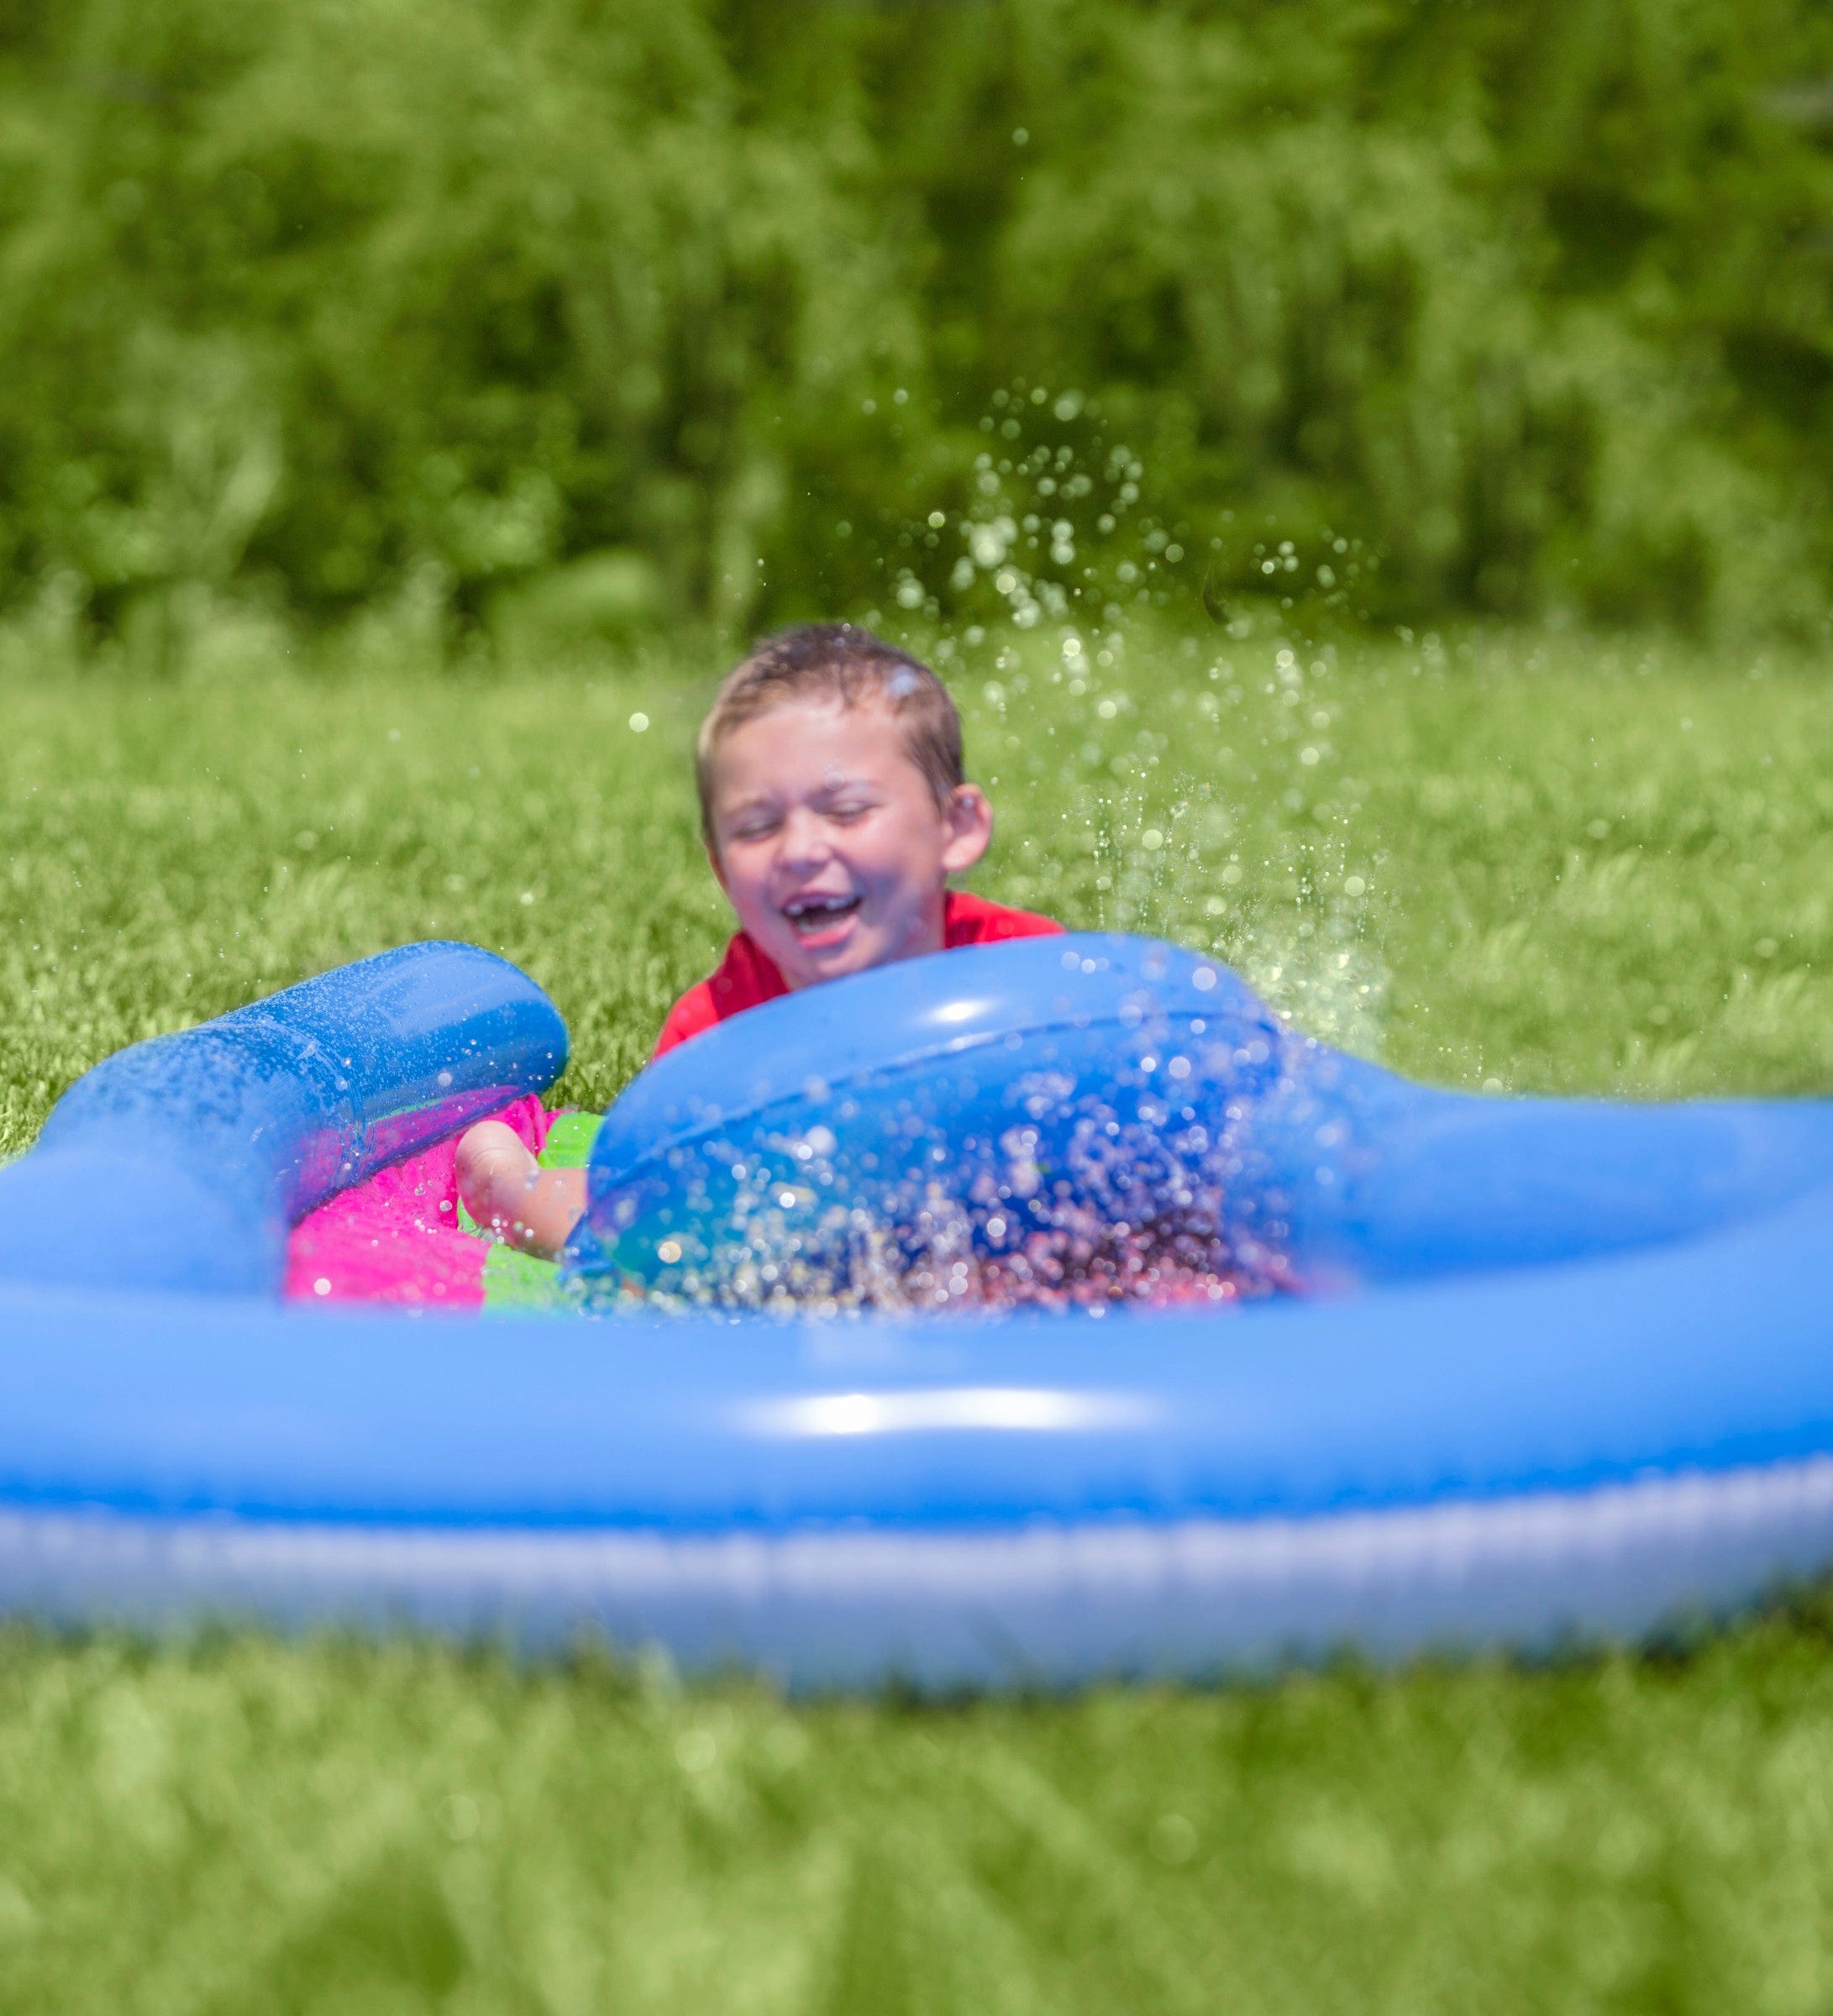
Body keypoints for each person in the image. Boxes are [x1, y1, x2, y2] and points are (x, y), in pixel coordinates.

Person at [455, 623, 1062, 1257]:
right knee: (599, 1228)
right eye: (758, 825)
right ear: (720, 869)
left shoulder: (1028, 977)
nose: (799, 850)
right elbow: (670, 1245)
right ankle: (502, 1180)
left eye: (848, 811)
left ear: (955, 828)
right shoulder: (718, 1036)